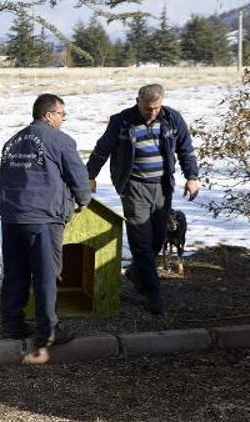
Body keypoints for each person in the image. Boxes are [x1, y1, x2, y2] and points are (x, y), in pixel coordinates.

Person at [86, 84, 199, 316]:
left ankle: (137, 272)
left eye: (156, 108)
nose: (152, 113)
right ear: (137, 101)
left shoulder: (172, 118)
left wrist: (192, 177)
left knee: (158, 238)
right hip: (133, 186)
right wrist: (89, 176)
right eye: (148, 109)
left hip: (162, 186)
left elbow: (185, 149)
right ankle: (154, 295)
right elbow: (101, 149)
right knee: (141, 240)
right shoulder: (122, 121)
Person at [0, 94, 90, 348]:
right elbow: (78, 176)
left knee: (15, 272)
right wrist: (83, 199)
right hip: (43, 218)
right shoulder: (59, 140)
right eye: (62, 114)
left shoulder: (12, 141)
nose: (64, 119)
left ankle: (12, 324)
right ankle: (48, 330)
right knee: (46, 274)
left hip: (13, 217)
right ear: (48, 115)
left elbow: (4, 178)